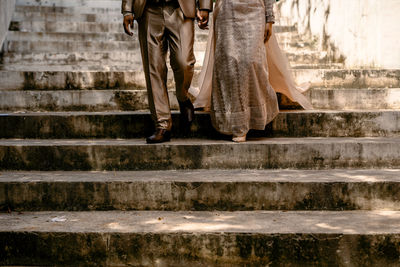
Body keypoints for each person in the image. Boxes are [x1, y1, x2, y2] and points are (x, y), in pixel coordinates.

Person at [192, 0, 312, 142]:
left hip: (255, 10)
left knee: (251, 61)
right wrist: (204, 8)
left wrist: (269, 18)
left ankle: (254, 115)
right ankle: (238, 124)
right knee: (229, 64)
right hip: (226, 9)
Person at [122, 0, 213, 143]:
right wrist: (127, 9)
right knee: (153, 67)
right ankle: (162, 124)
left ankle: (183, 97)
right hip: (148, 9)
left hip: (180, 8)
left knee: (184, 63)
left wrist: (204, 6)